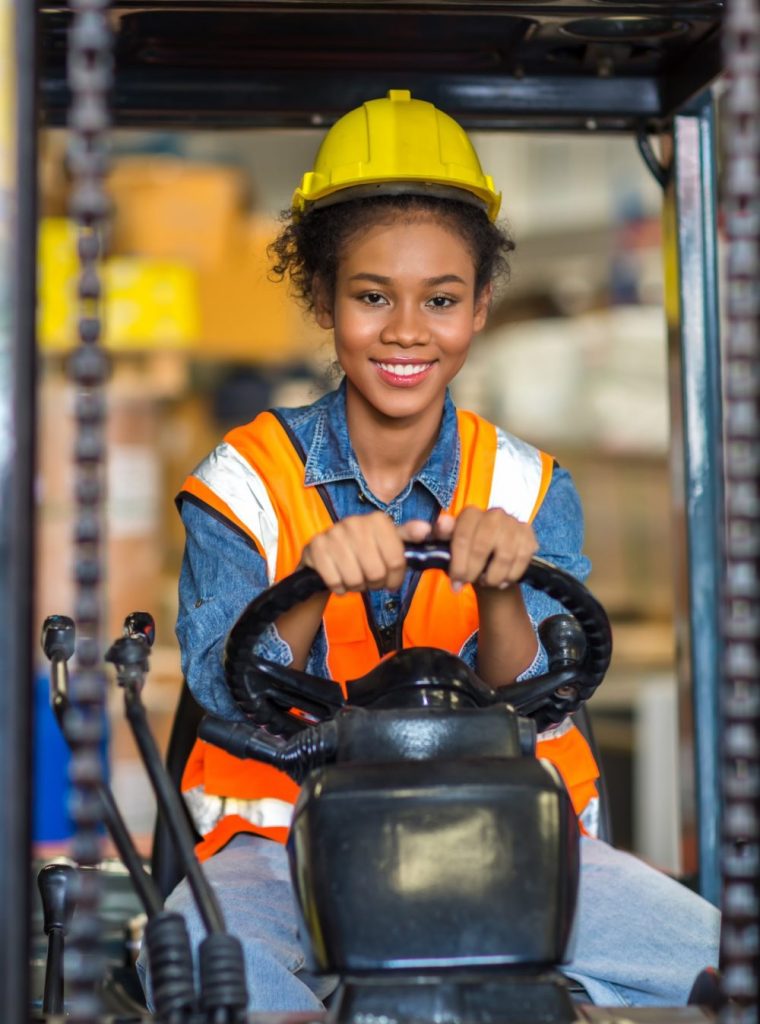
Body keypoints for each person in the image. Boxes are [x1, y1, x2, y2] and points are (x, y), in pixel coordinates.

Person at [138, 90, 719, 1011]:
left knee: (721, 967)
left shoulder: (527, 486)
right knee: (212, 982)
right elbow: (220, 683)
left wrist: (501, 584)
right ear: (324, 299)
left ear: (480, 306)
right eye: (373, 297)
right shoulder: (244, 477)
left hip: (507, 845)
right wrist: (308, 585)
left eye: (440, 300)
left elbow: (546, 699)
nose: (407, 331)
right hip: (281, 849)